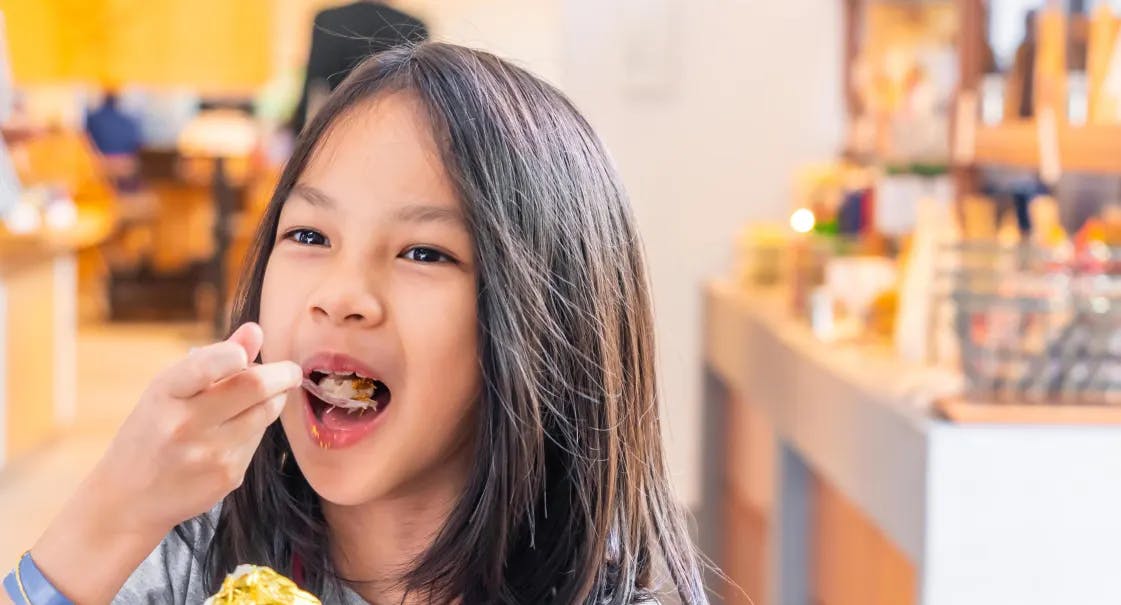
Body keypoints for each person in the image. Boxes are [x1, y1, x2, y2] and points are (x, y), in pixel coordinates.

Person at [2, 43, 708, 604]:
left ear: (549, 316)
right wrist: (108, 516)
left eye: (423, 252)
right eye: (309, 235)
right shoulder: (186, 552)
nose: (341, 295)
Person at [290, 1, 428, 134]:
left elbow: (314, 82)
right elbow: (420, 94)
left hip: (339, 128)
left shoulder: (328, 20)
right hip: (395, 131)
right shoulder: (413, 25)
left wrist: (299, 132)